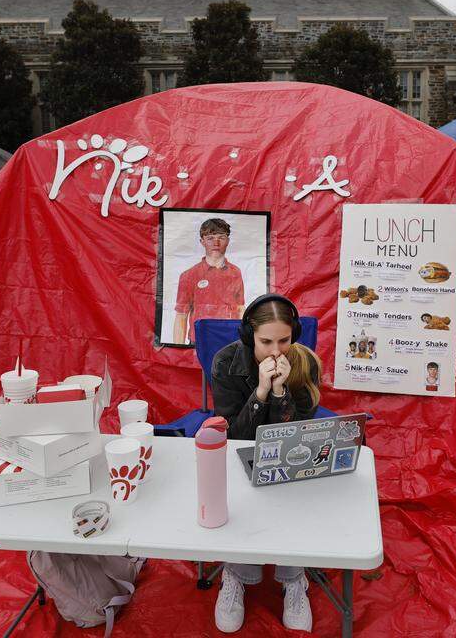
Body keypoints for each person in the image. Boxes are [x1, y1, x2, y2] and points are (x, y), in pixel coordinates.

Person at [209, 294, 322, 633]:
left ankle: (293, 577)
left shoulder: (305, 363)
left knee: (293, 488)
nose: (276, 351)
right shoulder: (226, 362)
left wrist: (280, 392)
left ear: (295, 336)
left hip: (291, 456)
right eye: (266, 341)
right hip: (242, 451)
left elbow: (296, 438)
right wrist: (260, 392)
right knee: (241, 494)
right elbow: (235, 438)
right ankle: (237, 572)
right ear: (249, 336)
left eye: (284, 340)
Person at [172, 218, 245, 344]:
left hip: (230, 342)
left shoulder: (235, 273)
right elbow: (181, 316)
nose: (216, 243)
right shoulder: (189, 275)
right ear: (202, 241)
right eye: (210, 238)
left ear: (227, 241)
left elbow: (240, 309)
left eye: (221, 237)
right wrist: (178, 350)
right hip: (199, 343)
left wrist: (245, 343)